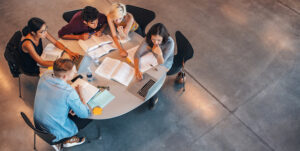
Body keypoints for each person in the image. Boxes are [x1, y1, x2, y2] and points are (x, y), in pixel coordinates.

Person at [34, 59, 91, 151]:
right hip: (55, 132)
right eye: (74, 72)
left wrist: (68, 106)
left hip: (38, 125)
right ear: (65, 76)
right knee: (90, 116)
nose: (75, 72)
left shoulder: (45, 75)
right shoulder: (68, 92)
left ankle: (61, 140)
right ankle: (66, 140)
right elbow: (84, 114)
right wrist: (81, 94)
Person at [134, 23, 174, 109]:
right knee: (140, 73)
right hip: (152, 56)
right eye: (153, 39)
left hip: (164, 62)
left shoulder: (170, 43)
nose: (156, 42)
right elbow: (137, 54)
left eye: (159, 40)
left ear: (164, 38)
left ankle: (153, 96)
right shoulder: (148, 38)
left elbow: (161, 63)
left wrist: (159, 54)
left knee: (152, 77)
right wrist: (137, 70)